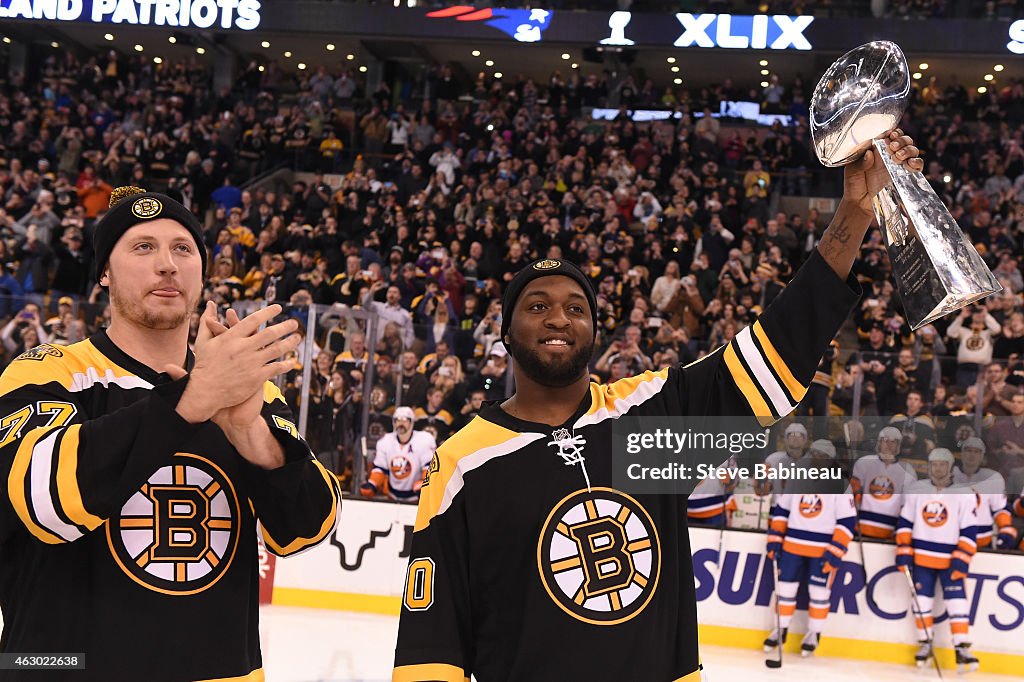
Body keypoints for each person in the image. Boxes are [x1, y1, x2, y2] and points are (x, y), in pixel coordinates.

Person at [392, 132, 924, 681]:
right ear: (504, 333)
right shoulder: (463, 463)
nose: (558, 318)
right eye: (537, 306)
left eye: (577, 307)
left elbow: (777, 353)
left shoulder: (649, 419)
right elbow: (431, 646)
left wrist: (853, 216)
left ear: (595, 331)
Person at [0, 187, 341, 681]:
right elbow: (40, 504)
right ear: (103, 273)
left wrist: (250, 432)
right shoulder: (47, 371)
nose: (167, 264)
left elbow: (310, 529)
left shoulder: (246, 389)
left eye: (183, 249)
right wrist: (189, 402)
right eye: (143, 247)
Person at [764, 441, 856, 657]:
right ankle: (780, 628)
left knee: (819, 594)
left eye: (822, 454)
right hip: (792, 546)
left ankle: (814, 634)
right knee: (784, 590)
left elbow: (847, 522)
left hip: (822, 550)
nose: (817, 457)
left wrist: (835, 551)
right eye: (814, 453)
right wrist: (775, 538)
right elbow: (781, 511)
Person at [897, 449, 978, 671]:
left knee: (957, 603)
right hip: (922, 558)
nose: (938, 468)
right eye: (934, 464)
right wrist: (904, 549)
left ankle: (961, 647)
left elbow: (970, 531)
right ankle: (925, 643)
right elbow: (905, 523)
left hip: (950, 560)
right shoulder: (917, 491)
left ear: (950, 467)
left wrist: (963, 556)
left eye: (942, 464)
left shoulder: (964, 494)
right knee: (921, 603)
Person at [849, 426, 917, 539]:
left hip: (890, 530)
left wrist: (900, 529)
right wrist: (852, 521)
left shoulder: (908, 471)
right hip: (861, 527)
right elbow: (853, 496)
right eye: (885, 440)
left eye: (893, 441)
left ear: (898, 445)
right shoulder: (864, 463)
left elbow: (907, 505)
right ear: (879, 443)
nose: (889, 445)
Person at [952, 437, 1016, 550]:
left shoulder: (993, 478)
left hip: (982, 540)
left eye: (977, 452)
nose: (972, 455)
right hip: (953, 539)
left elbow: (1000, 509)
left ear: (982, 456)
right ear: (961, 453)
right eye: (968, 450)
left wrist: (1005, 527)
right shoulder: (948, 476)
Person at [361, 407, 437, 503]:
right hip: (392, 497)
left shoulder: (424, 440)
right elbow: (380, 469)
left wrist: (424, 483)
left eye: (405, 420)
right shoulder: (385, 441)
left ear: (412, 422)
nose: (401, 423)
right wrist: (372, 484)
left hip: (416, 500)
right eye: (397, 420)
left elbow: (429, 467)